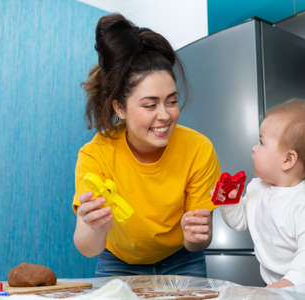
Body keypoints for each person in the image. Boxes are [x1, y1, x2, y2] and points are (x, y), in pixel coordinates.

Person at [72, 13, 220, 277]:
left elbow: (198, 240)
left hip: (182, 260)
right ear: (120, 107)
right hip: (118, 263)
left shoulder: (198, 149)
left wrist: (197, 236)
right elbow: (88, 248)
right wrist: (93, 227)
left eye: (172, 101)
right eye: (150, 105)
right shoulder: (96, 155)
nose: (164, 115)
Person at [214, 98, 305, 288]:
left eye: (261, 142)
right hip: (276, 287)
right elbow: (239, 222)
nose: (254, 148)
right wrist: (230, 202)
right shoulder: (257, 187)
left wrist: (289, 283)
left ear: (288, 160)